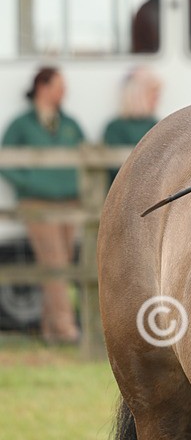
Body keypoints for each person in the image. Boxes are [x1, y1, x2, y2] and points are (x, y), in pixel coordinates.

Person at [0, 67, 85, 344]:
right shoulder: (22, 124)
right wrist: (28, 183)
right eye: (59, 85)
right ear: (43, 87)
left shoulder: (69, 123)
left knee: (65, 263)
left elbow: (85, 153)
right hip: (38, 203)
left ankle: (51, 330)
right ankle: (66, 328)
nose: (64, 91)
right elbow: (6, 158)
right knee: (55, 262)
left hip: (69, 202)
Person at [103, 68, 162, 185]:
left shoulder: (157, 124)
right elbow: (115, 170)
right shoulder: (115, 128)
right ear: (137, 94)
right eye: (152, 93)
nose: (157, 98)